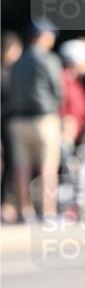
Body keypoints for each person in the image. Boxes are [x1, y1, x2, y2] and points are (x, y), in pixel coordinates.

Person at [8, 20, 62, 220]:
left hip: (18, 120)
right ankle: (48, 212)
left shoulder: (17, 61)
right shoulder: (49, 59)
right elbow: (58, 91)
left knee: (21, 168)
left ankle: (26, 211)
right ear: (43, 36)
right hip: (43, 119)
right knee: (48, 167)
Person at [1, 30, 23, 221]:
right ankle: (6, 205)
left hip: (9, 123)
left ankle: (9, 204)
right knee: (10, 164)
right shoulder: (7, 74)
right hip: (6, 124)